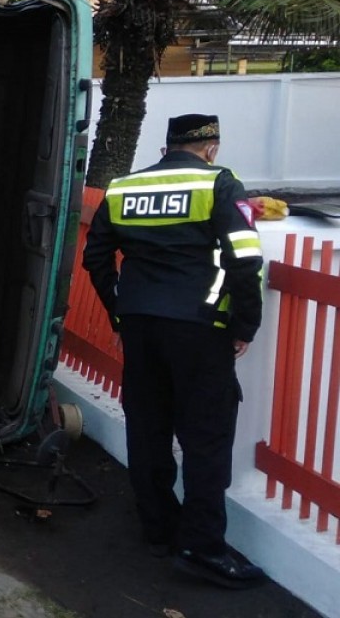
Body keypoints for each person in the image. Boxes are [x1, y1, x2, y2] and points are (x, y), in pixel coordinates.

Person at [82, 113, 265, 590]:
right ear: (211, 146)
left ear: (167, 147)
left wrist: (120, 315)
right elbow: (245, 258)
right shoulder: (220, 183)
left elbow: (95, 256)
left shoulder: (122, 188)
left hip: (140, 327)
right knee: (206, 437)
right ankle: (203, 549)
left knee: (148, 426)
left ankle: (159, 529)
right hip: (200, 329)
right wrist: (245, 323)